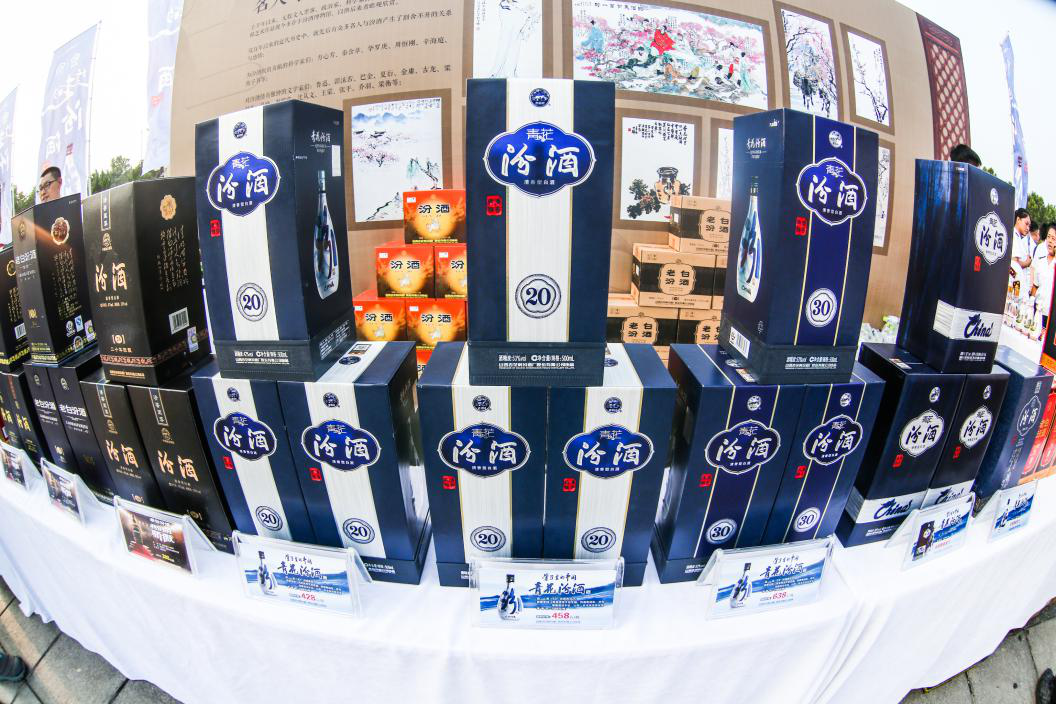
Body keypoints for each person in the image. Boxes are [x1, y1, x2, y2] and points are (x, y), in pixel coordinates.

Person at [1033, 224, 1056, 331]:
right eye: (1048, 237)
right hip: (1037, 311)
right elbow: (1035, 286)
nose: (1050, 241)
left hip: (1051, 316)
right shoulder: (1041, 261)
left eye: (1053, 238)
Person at [1011, 208, 1033, 305]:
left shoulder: (1019, 238)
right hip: (1015, 285)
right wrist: (1027, 263)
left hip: (1018, 285)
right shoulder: (1014, 235)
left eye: (1029, 226)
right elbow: (1013, 264)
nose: (1028, 228)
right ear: (1018, 219)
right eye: (1026, 224)